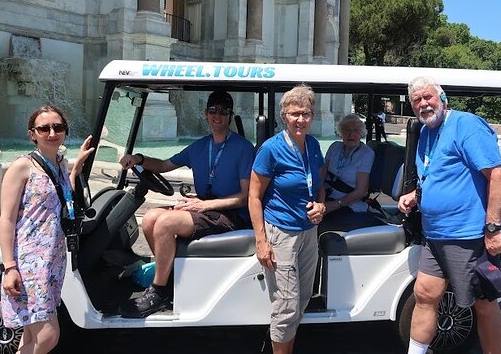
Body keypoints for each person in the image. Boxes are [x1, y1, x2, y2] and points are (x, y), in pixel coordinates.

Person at [118, 90, 255, 317]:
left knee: (165, 224)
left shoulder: (242, 148)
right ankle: (168, 279)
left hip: (231, 215)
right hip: (205, 210)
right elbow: (163, 165)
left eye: (223, 111)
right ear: (206, 113)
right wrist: (139, 159)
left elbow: (244, 196)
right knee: (151, 218)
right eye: (213, 110)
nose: (217, 115)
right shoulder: (200, 146)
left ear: (230, 115)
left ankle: (159, 291)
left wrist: (204, 205)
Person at [398, 76, 501, 354]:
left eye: (428, 97)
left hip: (468, 236)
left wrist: (493, 230)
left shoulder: (466, 125)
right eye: (417, 101)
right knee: (424, 294)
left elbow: (497, 176)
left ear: (442, 98)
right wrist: (416, 196)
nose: (423, 104)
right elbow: (433, 174)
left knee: (483, 304)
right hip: (434, 234)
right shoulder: (425, 132)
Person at [0, 105, 94, 353]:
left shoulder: (60, 164)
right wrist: (9, 267)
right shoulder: (22, 166)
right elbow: (7, 219)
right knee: (48, 336)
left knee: (31, 333)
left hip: (54, 259)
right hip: (30, 262)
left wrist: (77, 168)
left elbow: (63, 196)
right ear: (33, 134)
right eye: (44, 128)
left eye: (58, 127)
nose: (52, 133)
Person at [249, 84, 326, 354]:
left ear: (312, 116)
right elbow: (254, 196)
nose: (300, 120)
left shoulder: (314, 145)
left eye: (305, 114)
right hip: (281, 233)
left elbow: (319, 183)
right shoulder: (271, 149)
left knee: (301, 301)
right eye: (295, 114)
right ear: (284, 116)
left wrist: (321, 204)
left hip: (308, 233)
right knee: (286, 305)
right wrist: (261, 241)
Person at [319, 113, 381, 233]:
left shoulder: (366, 153)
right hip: (327, 196)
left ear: (361, 133)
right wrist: (320, 202)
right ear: (341, 133)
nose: (351, 134)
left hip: (349, 205)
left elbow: (361, 191)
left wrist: (333, 205)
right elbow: (321, 178)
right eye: (347, 130)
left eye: (356, 131)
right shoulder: (334, 147)